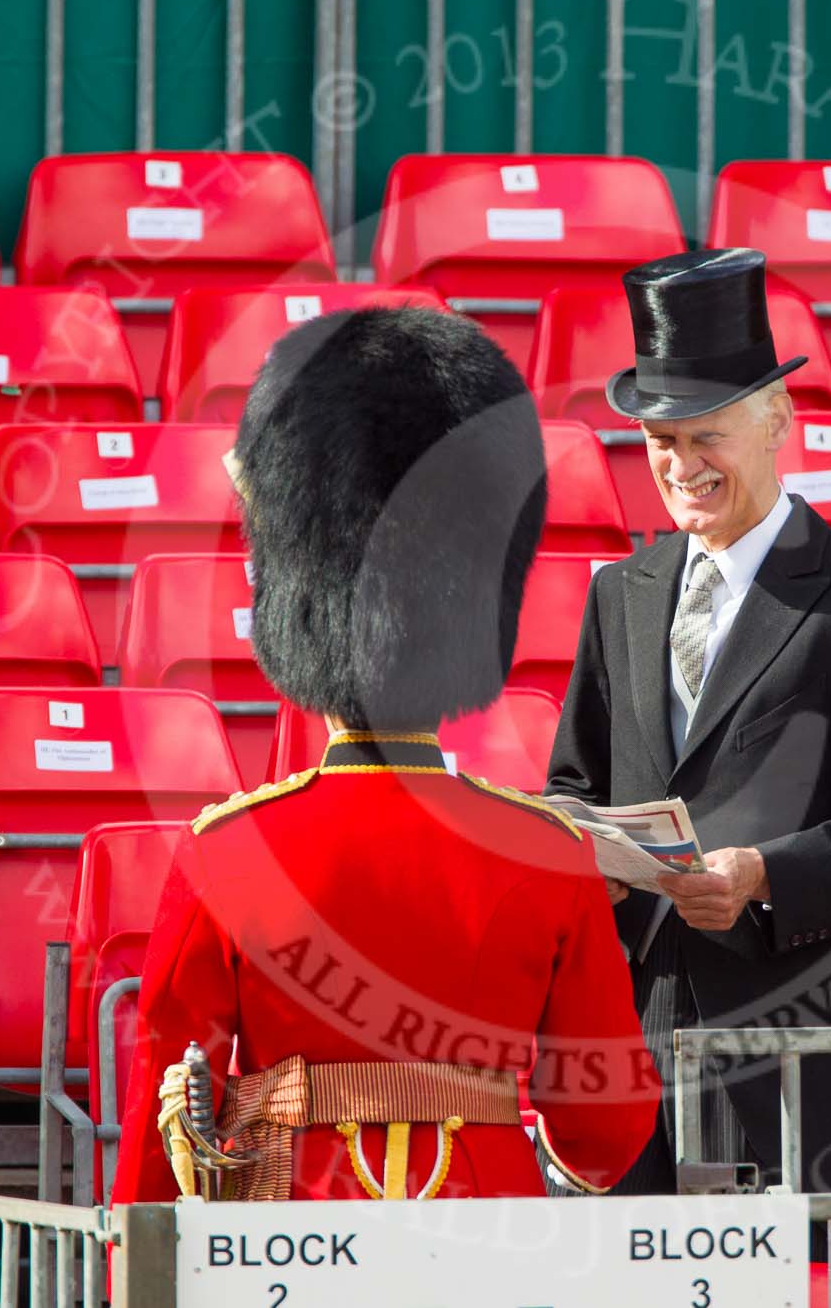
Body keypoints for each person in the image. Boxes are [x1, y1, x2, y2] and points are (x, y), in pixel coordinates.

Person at [111, 306, 656, 1204]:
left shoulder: (227, 849)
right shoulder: (548, 851)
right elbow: (604, 1133)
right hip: (493, 1235)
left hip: (290, 1223)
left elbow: (165, 1121)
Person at [544, 247, 831, 1199]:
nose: (681, 465)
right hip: (630, 1052)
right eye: (661, 441)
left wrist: (765, 875)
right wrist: (586, 853)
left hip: (788, 1051)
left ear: (777, 421)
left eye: (707, 436)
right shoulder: (620, 596)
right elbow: (572, 783)